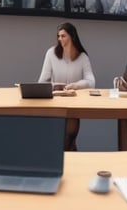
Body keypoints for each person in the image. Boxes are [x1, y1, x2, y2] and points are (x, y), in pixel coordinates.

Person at [38, 22, 95, 150]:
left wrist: (76, 85)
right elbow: (42, 82)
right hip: (55, 103)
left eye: (63, 36)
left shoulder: (82, 57)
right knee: (61, 141)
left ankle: (70, 159)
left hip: (73, 103)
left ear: (72, 36)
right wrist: (56, 86)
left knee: (69, 138)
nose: (60, 39)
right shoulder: (51, 54)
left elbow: (91, 81)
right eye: (58, 36)